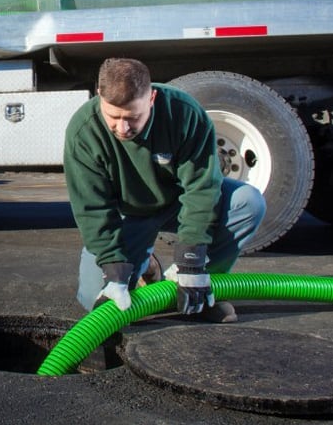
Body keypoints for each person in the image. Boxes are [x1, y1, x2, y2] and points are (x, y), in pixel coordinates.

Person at [63, 57, 266, 322]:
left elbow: (201, 189)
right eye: (113, 117)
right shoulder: (83, 132)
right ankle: (145, 265)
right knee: (96, 303)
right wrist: (114, 269)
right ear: (99, 95)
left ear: (151, 98)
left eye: (133, 117)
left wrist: (191, 260)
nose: (123, 128)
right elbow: (92, 209)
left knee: (248, 202)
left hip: (178, 202)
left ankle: (203, 289)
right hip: (128, 214)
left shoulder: (184, 113)